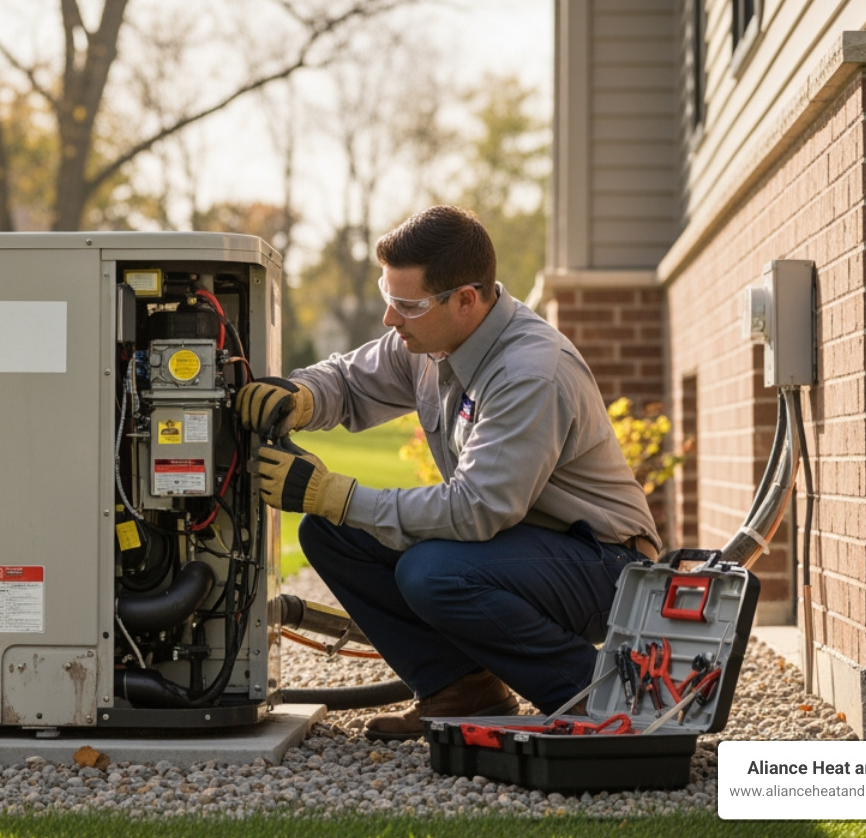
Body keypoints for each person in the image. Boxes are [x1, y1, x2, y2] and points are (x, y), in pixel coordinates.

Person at [238, 205, 661, 741]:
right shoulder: (432, 342)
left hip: (604, 563)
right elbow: (348, 381)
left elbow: (477, 508)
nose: (391, 319)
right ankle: (461, 690)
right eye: (387, 297)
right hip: (526, 545)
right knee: (332, 533)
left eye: (407, 305)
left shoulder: (529, 371)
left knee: (432, 571)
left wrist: (336, 493)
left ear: (466, 299)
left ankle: (605, 700)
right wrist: (299, 396)